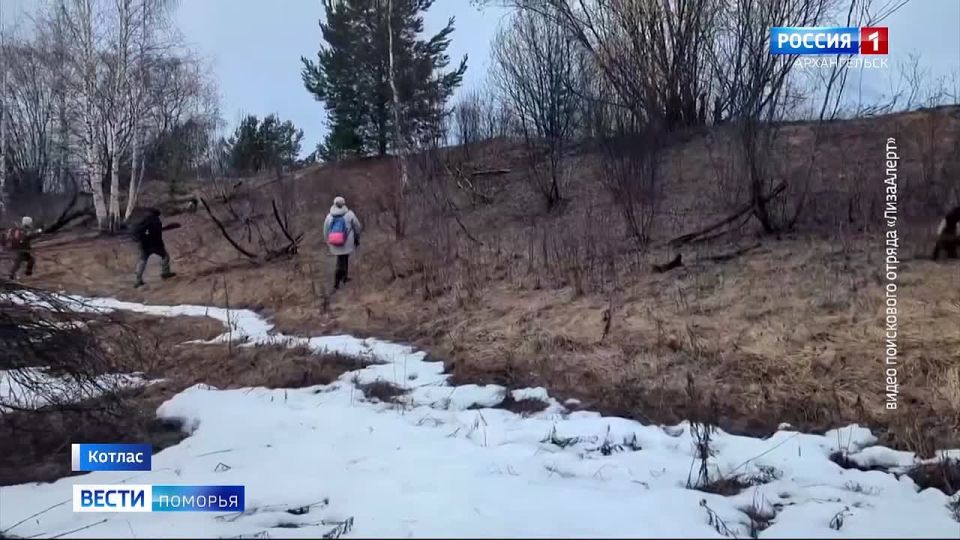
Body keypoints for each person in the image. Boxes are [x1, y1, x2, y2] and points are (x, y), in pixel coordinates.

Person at [323, 196, 362, 290]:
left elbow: (325, 231)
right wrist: (357, 237)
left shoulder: (329, 216)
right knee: (341, 260)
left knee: (342, 258)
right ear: (344, 204)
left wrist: (328, 241)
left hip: (334, 242)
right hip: (347, 242)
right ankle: (336, 283)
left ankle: (344, 277)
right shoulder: (350, 214)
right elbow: (358, 227)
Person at [132, 208, 176, 288]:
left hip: (144, 244)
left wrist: (140, 239)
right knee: (165, 257)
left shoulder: (144, 220)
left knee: (142, 261)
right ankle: (165, 273)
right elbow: (157, 233)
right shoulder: (156, 221)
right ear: (157, 214)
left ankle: (138, 280)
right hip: (156, 244)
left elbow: (138, 230)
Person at [5, 216, 43, 280]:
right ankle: (14, 274)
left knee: (22, 262)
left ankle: (24, 273)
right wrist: (39, 231)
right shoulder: (25, 230)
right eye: (30, 223)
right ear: (27, 223)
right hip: (23, 250)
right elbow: (31, 235)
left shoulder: (20, 229)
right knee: (25, 261)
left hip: (19, 249)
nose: (31, 224)